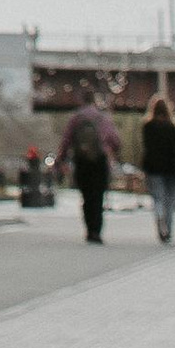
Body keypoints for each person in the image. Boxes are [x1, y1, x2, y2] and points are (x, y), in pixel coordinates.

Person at [57, 96, 119, 243]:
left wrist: (61, 159)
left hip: (82, 160)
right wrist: (112, 151)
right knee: (98, 196)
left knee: (86, 196)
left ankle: (89, 229)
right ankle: (97, 229)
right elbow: (116, 140)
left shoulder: (76, 118)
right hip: (99, 161)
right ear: (94, 102)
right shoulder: (102, 118)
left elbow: (66, 140)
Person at [140, 94, 175, 244]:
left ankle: (159, 218)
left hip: (154, 168)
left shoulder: (147, 127)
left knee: (158, 198)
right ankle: (169, 229)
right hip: (171, 169)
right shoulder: (173, 128)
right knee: (170, 201)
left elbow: (146, 149)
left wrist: (145, 168)